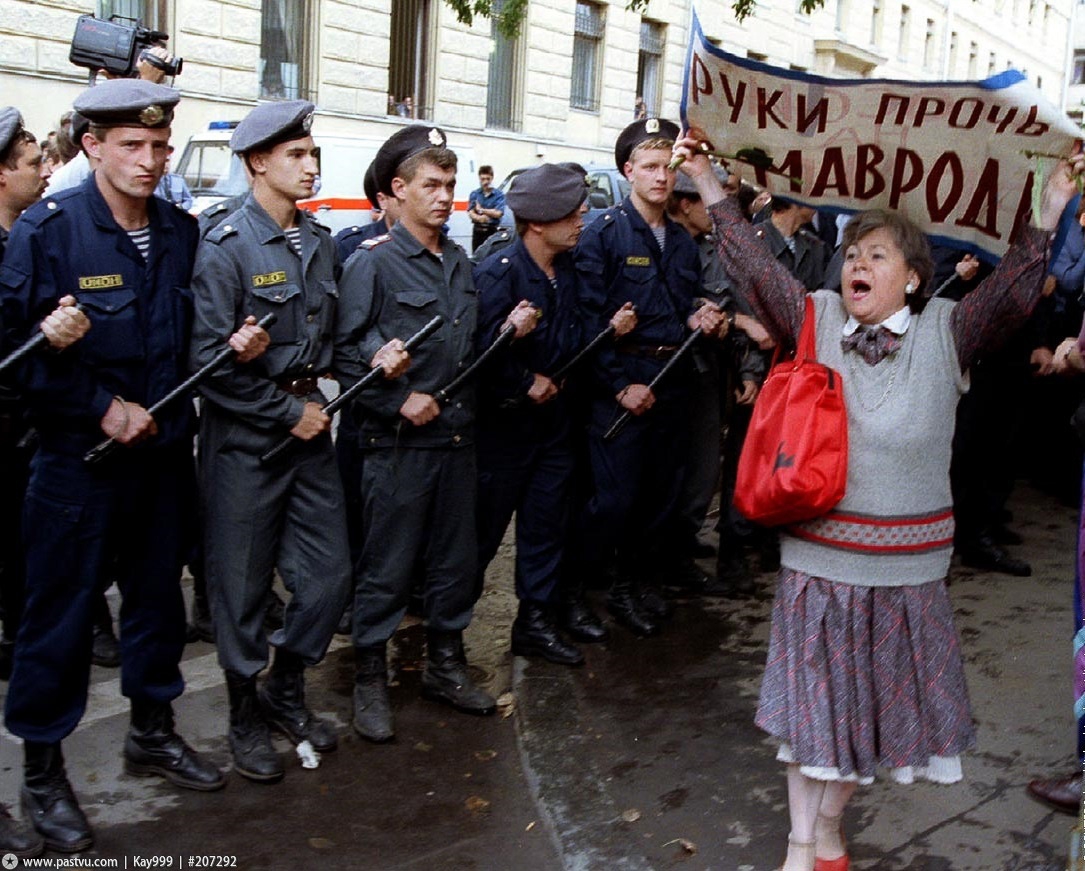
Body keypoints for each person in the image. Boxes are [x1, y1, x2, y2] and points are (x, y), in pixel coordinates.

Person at [674, 130, 1084, 871]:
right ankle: (805, 846)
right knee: (812, 721)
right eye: (852, 252)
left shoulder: (948, 330)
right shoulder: (818, 316)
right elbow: (749, 266)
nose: (857, 264)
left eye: (878, 255)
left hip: (905, 576)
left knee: (861, 727)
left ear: (914, 279)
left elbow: (1017, 290)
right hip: (818, 565)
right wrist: (706, 179)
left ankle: (823, 831)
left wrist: (1053, 201)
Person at [0, 78, 269, 855]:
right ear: (91, 146)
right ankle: (43, 772)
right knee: (58, 617)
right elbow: (18, 363)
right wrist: (97, 403)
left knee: (157, 602)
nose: (150, 160)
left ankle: (151, 729)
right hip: (76, 464)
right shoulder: (47, 231)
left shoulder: (180, 232)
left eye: (158, 145)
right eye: (132, 145)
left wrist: (231, 347)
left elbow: (182, 338)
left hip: (160, 458)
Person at [189, 100, 386, 783]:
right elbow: (205, 366)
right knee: (241, 588)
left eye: (312, 153)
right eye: (296, 155)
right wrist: (283, 407)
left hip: (308, 429)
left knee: (330, 576)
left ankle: (286, 685)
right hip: (246, 437)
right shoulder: (223, 245)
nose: (310, 165)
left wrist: (352, 370)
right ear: (257, 164)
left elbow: (328, 340)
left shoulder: (322, 241)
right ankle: (245, 712)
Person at [335, 125, 537, 742]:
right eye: (431, 185)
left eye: (450, 184)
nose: (444, 196)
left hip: (456, 440)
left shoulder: (458, 262)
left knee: (454, 564)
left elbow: (465, 346)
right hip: (398, 447)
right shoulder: (372, 264)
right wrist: (398, 399)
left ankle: (445, 666)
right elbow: (343, 358)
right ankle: (370, 674)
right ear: (398, 189)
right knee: (387, 566)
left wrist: (507, 330)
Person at [569, 117, 727, 638]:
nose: (662, 177)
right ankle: (597, 588)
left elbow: (679, 304)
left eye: (669, 167)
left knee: (661, 495)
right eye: (652, 167)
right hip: (623, 380)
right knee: (615, 498)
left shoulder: (680, 243)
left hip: (671, 377)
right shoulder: (604, 235)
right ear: (628, 170)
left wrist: (700, 315)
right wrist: (618, 385)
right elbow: (589, 319)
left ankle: (638, 584)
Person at [473, 163, 636, 665]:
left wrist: (608, 330)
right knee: (479, 535)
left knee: (547, 529)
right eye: (571, 210)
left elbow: (575, 335)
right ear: (538, 221)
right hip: (504, 428)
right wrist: (523, 380)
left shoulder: (568, 269)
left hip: (555, 426)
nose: (582, 215)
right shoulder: (497, 272)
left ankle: (535, 622)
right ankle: (445, 639)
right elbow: (470, 356)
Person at [468, 164, 506, 253]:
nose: (485, 182)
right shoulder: (475, 194)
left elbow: (498, 213)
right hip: (478, 231)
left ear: (492, 178)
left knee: (493, 257)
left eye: (488, 179)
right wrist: (480, 218)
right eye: (483, 179)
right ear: (479, 179)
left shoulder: (499, 194)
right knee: (477, 258)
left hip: (492, 231)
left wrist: (481, 210)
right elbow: (471, 212)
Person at [154, 144, 193, 210]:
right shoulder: (149, 181)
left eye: (167, 161)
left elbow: (188, 200)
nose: (165, 164)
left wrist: (180, 207)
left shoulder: (178, 180)